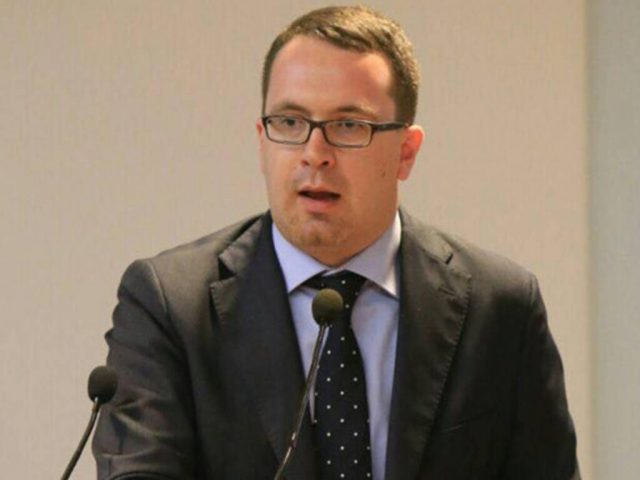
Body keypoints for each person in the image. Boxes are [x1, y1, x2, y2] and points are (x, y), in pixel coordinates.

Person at [93, 5, 580, 480]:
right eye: (290, 122)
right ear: (261, 140)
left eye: (349, 126)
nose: (314, 153)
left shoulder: (500, 308)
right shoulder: (171, 306)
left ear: (406, 152)